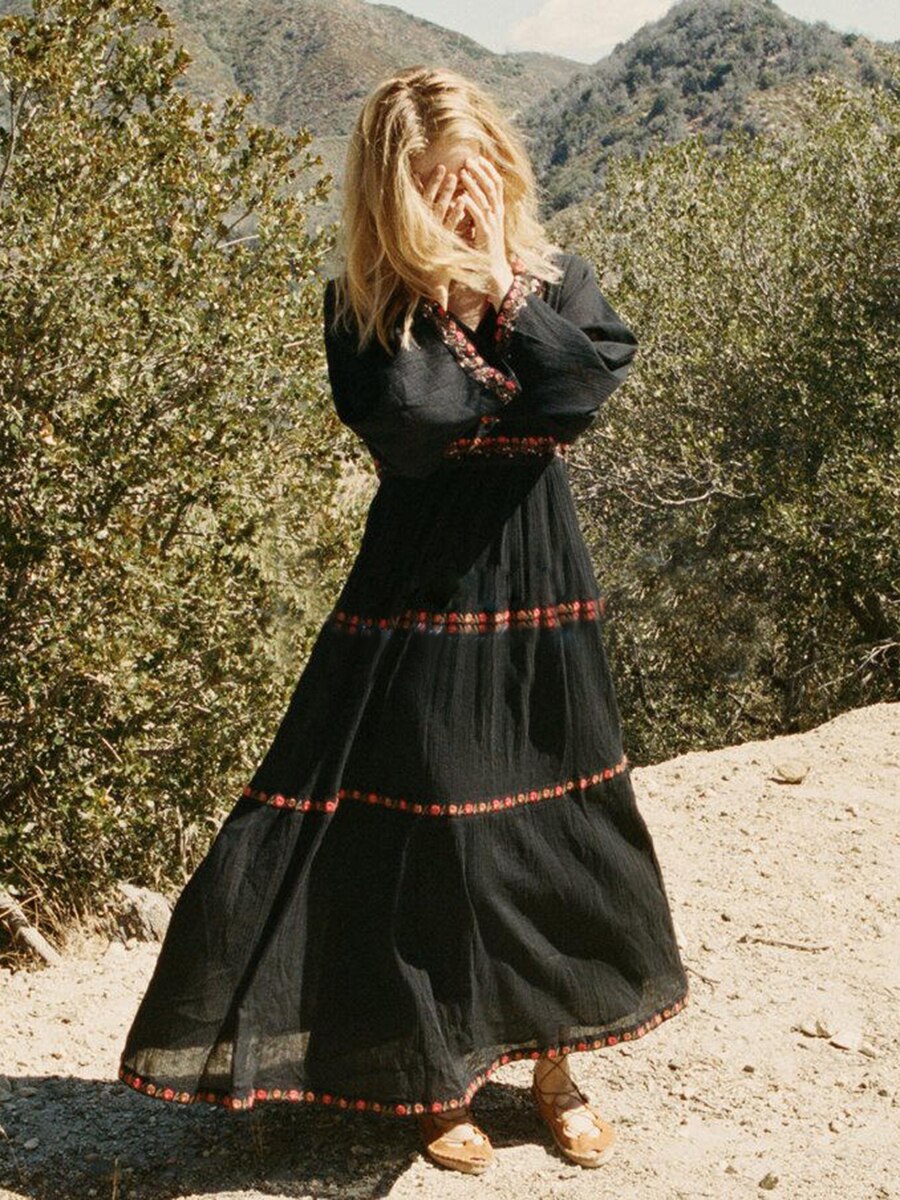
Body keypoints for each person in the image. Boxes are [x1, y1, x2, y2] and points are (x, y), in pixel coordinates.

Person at [117, 65, 690, 1176]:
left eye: (469, 175)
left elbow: (575, 398)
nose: (456, 199)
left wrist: (505, 285)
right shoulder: (366, 307)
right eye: (431, 182)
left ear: (500, 169)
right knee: (434, 830)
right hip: (421, 592)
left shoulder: (557, 280)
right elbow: (420, 429)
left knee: (560, 823)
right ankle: (436, 1077)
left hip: (540, 583)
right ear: (391, 190)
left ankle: (555, 1069)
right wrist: (461, 296)